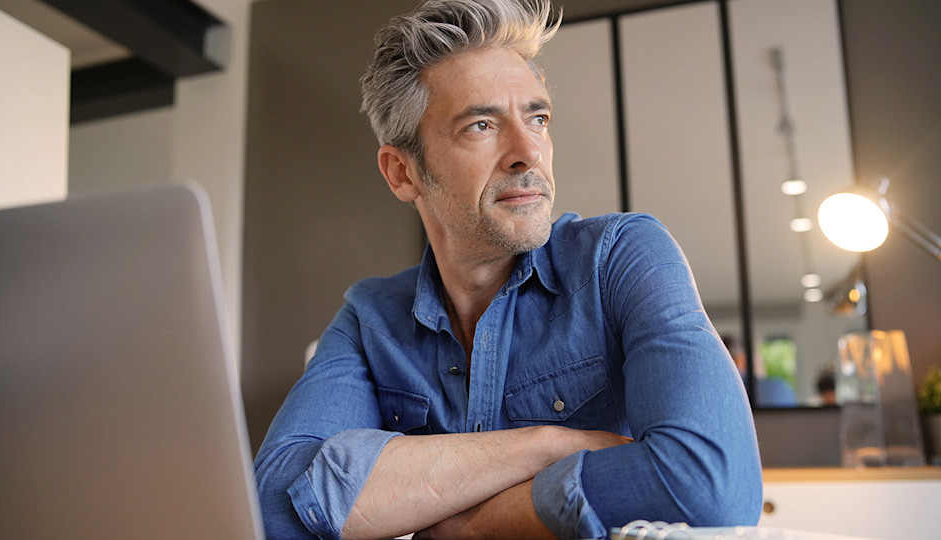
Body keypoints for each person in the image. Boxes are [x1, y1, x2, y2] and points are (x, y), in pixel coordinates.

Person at [253, 1, 762, 538]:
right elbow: (274, 503)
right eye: (480, 124)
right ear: (403, 172)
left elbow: (713, 486)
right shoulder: (370, 317)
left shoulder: (620, 257)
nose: (528, 152)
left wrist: (472, 525)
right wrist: (550, 445)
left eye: (537, 118)